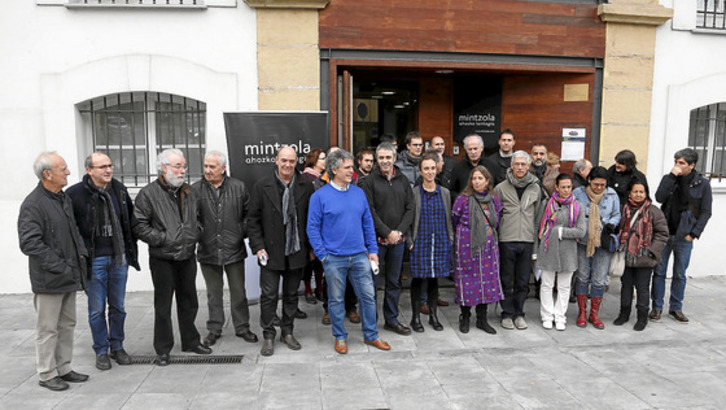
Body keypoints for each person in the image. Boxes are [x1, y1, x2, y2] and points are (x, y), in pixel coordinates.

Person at [307, 149, 391, 354]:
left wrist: (372, 250)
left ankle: (371, 335)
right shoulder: (319, 196)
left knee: (368, 297)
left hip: (360, 256)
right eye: (347, 167)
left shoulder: (358, 193)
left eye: (352, 167)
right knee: (336, 299)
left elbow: (368, 223)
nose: (351, 171)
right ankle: (340, 337)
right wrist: (323, 256)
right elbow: (312, 228)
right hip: (334, 258)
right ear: (334, 169)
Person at [18, 152, 90, 391]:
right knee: (47, 329)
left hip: (69, 274)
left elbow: (72, 232)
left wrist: (80, 259)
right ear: (47, 174)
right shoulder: (33, 204)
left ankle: (64, 368)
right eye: (63, 169)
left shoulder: (62, 198)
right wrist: (61, 267)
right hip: (49, 279)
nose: (68, 172)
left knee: (67, 324)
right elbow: (30, 243)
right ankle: (47, 374)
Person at [134, 148, 212, 366]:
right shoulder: (148, 194)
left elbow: (199, 218)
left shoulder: (189, 192)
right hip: (163, 257)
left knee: (189, 302)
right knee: (163, 306)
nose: (182, 170)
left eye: (184, 166)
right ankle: (163, 349)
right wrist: (163, 239)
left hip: (187, 255)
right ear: (164, 168)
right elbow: (139, 225)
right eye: (178, 166)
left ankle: (191, 341)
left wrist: (195, 233)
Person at [67, 152, 139, 371]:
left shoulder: (120, 190)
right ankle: (101, 350)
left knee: (118, 306)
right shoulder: (75, 194)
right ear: (89, 170)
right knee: (97, 309)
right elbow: (72, 228)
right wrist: (81, 254)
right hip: (94, 259)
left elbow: (130, 222)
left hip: (118, 257)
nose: (108, 170)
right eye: (102, 167)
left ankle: (117, 346)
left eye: (110, 165)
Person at [247, 146, 315, 356]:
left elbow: (312, 219)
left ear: (297, 162)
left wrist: (311, 248)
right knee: (268, 295)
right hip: (270, 251)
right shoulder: (262, 185)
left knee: (291, 295)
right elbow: (253, 220)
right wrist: (258, 247)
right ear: (276, 160)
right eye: (284, 160)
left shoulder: (306, 185)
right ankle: (268, 335)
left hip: (296, 250)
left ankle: (287, 332)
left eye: (292, 161)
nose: (287, 164)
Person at [192, 151, 258, 347]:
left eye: (212, 166)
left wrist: (239, 232)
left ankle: (242, 327)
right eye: (205, 166)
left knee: (238, 291)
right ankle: (214, 329)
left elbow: (249, 215)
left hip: (233, 248)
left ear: (223, 168)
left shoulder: (238, 187)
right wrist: (201, 234)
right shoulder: (195, 189)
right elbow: (191, 219)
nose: (207, 170)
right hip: (208, 249)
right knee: (214, 294)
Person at [650, 148, 712, 324]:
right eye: (676, 162)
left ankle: (676, 308)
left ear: (691, 165)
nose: (677, 165)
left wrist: (694, 233)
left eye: (681, 163)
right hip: (664, 234)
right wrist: (671, 177)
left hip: (685, 236)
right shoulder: (669, 179)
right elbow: (659, 197)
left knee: (679, 273)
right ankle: (657, 307)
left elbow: (706, 211)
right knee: (659, 272)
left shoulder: (702, 184)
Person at [360, 142, 415, 336]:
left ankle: (391, 320)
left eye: (388, 157)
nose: (384, 161)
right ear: (377, 159)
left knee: (394, 282)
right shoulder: (368, 182)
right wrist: (386, 233)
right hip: (375, 243)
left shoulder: (403, 180)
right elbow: (369, 212)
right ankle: (371, 323)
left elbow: (410, 208)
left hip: (397, 242)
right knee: (371, 284)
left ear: (394, 158)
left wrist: (398, 232)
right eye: (381, 157)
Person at [493, 150, 546, 330]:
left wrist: (534, 240)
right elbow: (496, 214)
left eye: (524, 164)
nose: (520, 167)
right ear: (511, 165)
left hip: (527, 239)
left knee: (523, 281)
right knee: (506, 279)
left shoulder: (535, 187)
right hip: (507, 239)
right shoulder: (501, 188)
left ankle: (519, 313)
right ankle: (507, 313)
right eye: (517, 164)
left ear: (529, 166)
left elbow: (537, 215)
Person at [452, 166, 503, 334]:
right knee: (467, 280)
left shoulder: (494, 200)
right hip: (467, 246)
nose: (476, 181)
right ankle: (465, 317)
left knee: (486, 281)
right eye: (474, 178)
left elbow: (497, 220)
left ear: (487, 181)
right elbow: (455, 219)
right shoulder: (463, 199)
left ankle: (482, 319)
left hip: (488, 246)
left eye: (480, 178)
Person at [407, 153, 454, 332]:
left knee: (435, 280)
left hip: (440, 241)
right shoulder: (414, 193)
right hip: (420, 241)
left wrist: (450, 239)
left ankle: (434, 316)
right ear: (420, 171)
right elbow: (408, 220)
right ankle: (415, 318)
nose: (430, 172)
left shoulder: (445, 193)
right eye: (426, 168)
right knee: (418, 280)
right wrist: (410, 241)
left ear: (437, 169)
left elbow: (448, 218)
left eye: (433, 168)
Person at [614, 180, 668, 331]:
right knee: (626, 286)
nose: (638, 194)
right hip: (626, 256)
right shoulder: (623, 209)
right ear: (629, 193)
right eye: (635, 191)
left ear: (646, 193)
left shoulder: (654, 211)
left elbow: (662, 234)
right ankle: (623, 314)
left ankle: (642, 318)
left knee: (642, 288)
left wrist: (651, 251)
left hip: (645, 258)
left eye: (641, 192)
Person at [573, 166, 621, 329]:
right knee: (582, 277)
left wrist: (610, 224)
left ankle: (594, 313)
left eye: (602, 185)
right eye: (596, 184)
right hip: (582, 241)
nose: (599, 188)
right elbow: (572, 213)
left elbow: (617, 214)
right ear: (589, 181)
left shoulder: (612, 194)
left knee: (599, 279)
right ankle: (581, 312)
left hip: (602, 242)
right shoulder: (578, 193)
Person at [536, 174, 585, 331]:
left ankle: (560, 316)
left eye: (569, 187)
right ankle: (547, 316)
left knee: (564, 286)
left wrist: (560, 232)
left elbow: (581, 231)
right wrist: (536, 251)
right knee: (547, 284)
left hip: (568, 251)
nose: (566, 190)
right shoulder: (546, 204)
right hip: (548, 249)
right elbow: (539, 227)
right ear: (556, 187)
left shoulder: (578, 206)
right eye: (562, 187)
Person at [301, 149, 327, 304]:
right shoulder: (305, 178)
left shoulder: (324, 178)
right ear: (314, 161)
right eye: (322, 158)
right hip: (309, 224)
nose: (325, 161)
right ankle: (308, 290)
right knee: (309, 260)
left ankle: (319, 288)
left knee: (320, 260)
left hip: (324, 225)